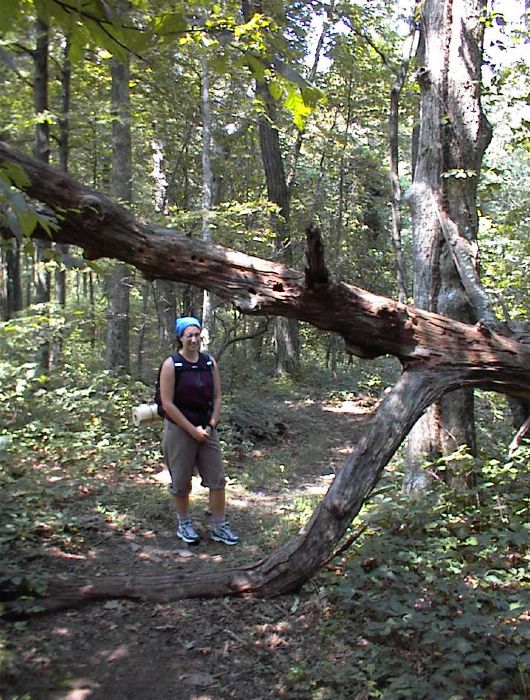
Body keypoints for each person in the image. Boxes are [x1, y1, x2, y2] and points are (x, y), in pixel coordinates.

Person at [159, 316, 239, 546]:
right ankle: (184, 523)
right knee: (181, 480)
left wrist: (211, 425)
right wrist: (192, 430)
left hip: (207, 429)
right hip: (179, 429)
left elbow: (217, 396)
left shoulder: (209, 362)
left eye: (197, 335)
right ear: (180, 337)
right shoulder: (171, 364)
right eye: (189, 335)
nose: (193, 339)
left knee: (217, 480)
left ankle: (219, 526)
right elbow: (168, 404)